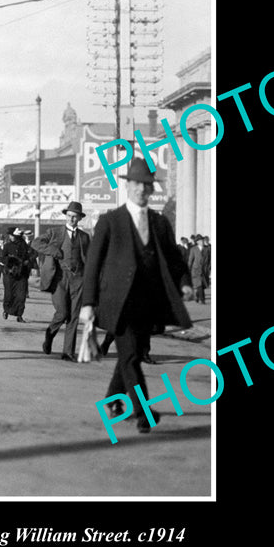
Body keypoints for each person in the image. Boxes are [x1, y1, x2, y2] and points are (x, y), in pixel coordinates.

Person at [80, 158, 193, 435]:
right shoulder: (110, 221)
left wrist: (185, 282)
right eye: (136, 184)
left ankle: (112, 399)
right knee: (130, 357)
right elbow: (93, 265)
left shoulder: (159, 222)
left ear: (151, 189)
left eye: (146, 185)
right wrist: (88, 303)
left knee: (133, 354)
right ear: (127, 186)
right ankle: (143, 411)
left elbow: (174, 258)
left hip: (149, 302)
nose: (141, 190)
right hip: (119, 303)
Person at [32, 201, 91, 361]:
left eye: (75, 217)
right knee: (62, 313)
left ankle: (68, 352)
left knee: (74, 316)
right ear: (66, 216)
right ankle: (50, 334)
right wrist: (53, 250)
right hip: (59, 278)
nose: (72, 219)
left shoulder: (85, 237)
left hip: (78, 278)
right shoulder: (55, 232)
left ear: (79, 218)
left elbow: (90, 258)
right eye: (69, 216)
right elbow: (36, 243)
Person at [1, 227, 31, 322]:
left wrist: (26, 262)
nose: (10, 237)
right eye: (10, 236)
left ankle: (19, 315)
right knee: (9, 294)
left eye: (12, 235)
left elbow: (30, 256)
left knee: (21, 295)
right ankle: (6, 310)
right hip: (9, 274)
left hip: (21, 274)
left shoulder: (24, 245)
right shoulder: (7, 246)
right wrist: (10, 260)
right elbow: (2, 258)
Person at [188, 235, 207, 303]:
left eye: (202, 240)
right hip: (196, 269)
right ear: (197, 242)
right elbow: (190, 260)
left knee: (203, 285)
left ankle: (197, 294)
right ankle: (202, 299)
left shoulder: (207, 249)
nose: (202, 241)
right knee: (199, 284)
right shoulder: (193, 249)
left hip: (204, 270)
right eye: (201, 240)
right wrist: (188, 269)